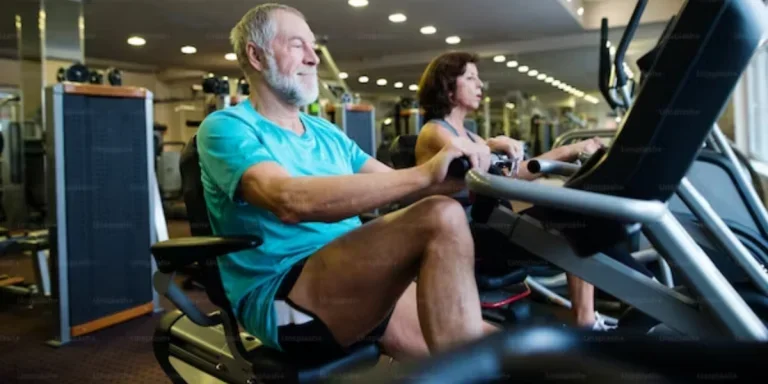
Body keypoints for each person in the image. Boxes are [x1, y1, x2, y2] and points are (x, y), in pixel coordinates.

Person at [196, 3, 499, 364]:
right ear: (256, 56)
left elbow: (397, 185)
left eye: (313, 47)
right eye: (297, 46)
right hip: (285, 296)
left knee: (500, 352)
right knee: (442, 216)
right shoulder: (227, 126)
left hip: (353, 274)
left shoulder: (325, 131)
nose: (313, 58)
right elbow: (288, 199)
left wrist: (470, 174)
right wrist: (425, 173)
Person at [414, 51, 611, 330]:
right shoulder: (434, 132)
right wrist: (494, 144)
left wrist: (570, 151)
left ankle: (588, 318)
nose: (480, 85)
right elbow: (465, 155)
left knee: (578, 216)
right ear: (447, 87)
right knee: (572, 227)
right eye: (470, 78)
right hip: (462, 232)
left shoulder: (470, 134)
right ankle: (585, 322)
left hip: (491, 222)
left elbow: (512, 175)